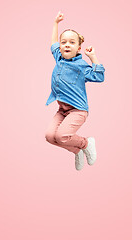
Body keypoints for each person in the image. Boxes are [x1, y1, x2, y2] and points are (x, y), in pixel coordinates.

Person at [45, 11, 105, 171]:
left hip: (78, 110)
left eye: (71, 42)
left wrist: (93, 58)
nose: (66, 45)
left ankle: (86, 143)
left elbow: (98, 77)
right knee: (50, 137)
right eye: (63, 42)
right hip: (62, 109)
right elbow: (53, 43)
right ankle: (77, 151)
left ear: (78, 48)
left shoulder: (81, 65)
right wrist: (56, 23)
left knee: (61, 136)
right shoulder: (59, 57)